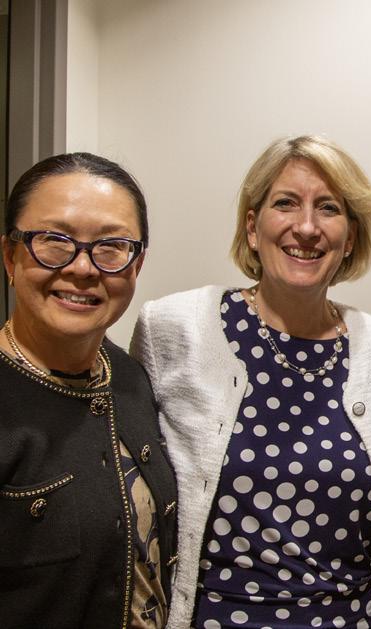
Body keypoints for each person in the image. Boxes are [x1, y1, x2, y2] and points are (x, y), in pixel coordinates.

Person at [131, 136, 371, 629]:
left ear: (350, 237)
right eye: (285, 203)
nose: (306, 227)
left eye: (328, 208)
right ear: (252, 226)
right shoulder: (173, 328)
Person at [0, 153, 177, 628]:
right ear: (11, 256)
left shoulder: (130, 376)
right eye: (54, 241)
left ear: (137, 265)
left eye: (111, 246)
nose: (82, 268)